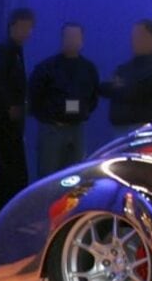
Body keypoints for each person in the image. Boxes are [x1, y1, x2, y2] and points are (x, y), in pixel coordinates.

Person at [0, 8, 34, 217]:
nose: (28, 32)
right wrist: (10, 105)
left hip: (11, 125)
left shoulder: (15, 52)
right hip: (3, 125)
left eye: (30, 28)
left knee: (11, 176)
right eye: (24, 27)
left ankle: (6, 220)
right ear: (13, 25)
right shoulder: (3, 51)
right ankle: (5, 220)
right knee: (13, 175)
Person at [29, 22, 100, 177]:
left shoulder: (88, 68)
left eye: (75, 37)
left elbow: (94, 95)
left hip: (77, 130)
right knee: (49, 176)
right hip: (52, 130)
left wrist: (81, 111)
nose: (71, 40)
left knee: (75, 177)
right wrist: (51, 115)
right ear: (62, 39)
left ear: (82, 40)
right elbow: (34, 97)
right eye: (68, 36)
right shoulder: (46, 68)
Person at [100, 19, 152, 133]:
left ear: (150, 38)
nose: (133, 40)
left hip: (141, 131)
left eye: (138, 36)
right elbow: (110, 87)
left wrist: (119, 85)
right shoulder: (125, 67)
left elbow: (132, 89)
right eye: (133, 36)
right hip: (120, 131)